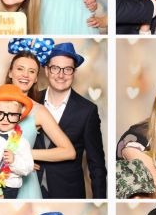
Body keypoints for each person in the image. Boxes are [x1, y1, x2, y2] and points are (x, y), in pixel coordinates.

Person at [5, 39, 77, 199]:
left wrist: (24, 156)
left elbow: (69, 151)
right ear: (10, 73)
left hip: (24, 187)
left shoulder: (39, 111)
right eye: (20, 69)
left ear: (36, 78)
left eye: (31, 71)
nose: (25, 75)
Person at [35, 41, 107, 198]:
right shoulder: (31, 101)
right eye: (55, 68)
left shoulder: (87, 111)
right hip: (31, 188)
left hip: (68, 192)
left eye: (67, 69)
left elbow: (96, 165)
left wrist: (101, 199)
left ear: (74, 72)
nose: (61, 75)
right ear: (46, 70)